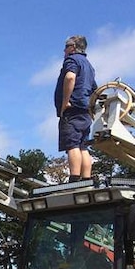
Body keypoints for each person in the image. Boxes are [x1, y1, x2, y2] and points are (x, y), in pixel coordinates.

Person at [54, 35, 97, 183]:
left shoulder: (72, 60)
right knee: (83, 146)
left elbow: (70, 77)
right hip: (85, 111)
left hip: (72, 109)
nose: (64, 50)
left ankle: (74, 179)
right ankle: (86, 179)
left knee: (72, 144)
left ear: (72, 47)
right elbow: (94, 90)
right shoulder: (89, 66)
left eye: (66, 46)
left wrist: (65, 102)